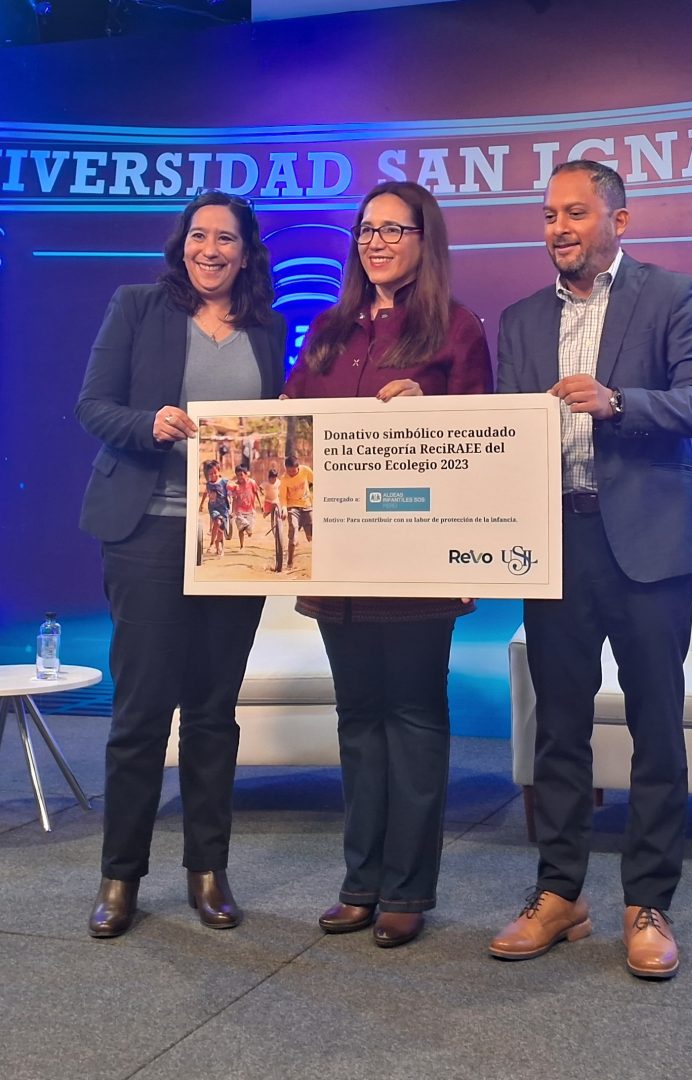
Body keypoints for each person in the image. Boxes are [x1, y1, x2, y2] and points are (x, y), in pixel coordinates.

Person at [490, 160, 692, 978]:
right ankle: (560, 894)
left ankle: (646, 903)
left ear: (617, 222)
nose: (558, 228)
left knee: (656, 727)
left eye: (576, 213)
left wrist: (618, 400)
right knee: (557, 726)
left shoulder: (671, 295)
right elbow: (501, 433)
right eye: (549, 215)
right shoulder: (519, 319)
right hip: (553, 545)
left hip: (650, 547)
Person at [283, 180, 493, 948]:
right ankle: (359, 883)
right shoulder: (329, 330)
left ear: (422, 239)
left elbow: (481, 445)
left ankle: (408, 889)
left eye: (392, 230)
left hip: (415, 567)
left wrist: (429, 415)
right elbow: (291, 422)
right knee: (357, 720)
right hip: (338, 566)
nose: (375, 241)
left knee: (411, 719)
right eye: (366, 229)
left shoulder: (455, 329)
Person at [76, 190, 286, 938]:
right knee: (139, 714)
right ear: (182, 243)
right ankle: (119, 876)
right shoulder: (137, 305)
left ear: (245, 251)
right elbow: (93, 404)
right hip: (148, 534)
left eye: (225, 239)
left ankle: (208, 870)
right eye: (198, 236)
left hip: (234, 545)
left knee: (211, 713)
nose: (209, 250)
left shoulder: (268, 327)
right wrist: (148, 423)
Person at [278, 454, 313, 570]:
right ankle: (289, 562)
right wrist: (283, 508)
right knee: (293, 536)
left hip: (307, 505)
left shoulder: (305, 470)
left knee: (311, 534)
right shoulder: (284, 479)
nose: (291, 473)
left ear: (298, 467)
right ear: (286, 469)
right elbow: (282, 497)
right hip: (293, 507)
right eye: (289, 471)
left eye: (293, 471)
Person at [199, 459, 231, 556]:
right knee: (217, 522)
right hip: (213, 507)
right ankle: (212, 543)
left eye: (214, 473)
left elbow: (231, 489)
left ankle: (218, 543)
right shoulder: (209, 484)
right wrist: (201, 504)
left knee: (221, 528)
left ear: (219, 471)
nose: (213, 476)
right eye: (210, 474)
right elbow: (205, 493)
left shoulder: (224, 482)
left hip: (224, 508)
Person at [228, 464, 263, 549]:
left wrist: (261, 504)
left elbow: (256, 493)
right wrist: (233, 512)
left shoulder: (252, 483)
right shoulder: (236, 486)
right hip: (239, 510)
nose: (240, 477)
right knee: (241, 528)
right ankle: (242, 545)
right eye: (237, 475)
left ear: (246, 474)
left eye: (241, 475)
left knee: (249, 530)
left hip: (250, 510)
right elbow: (235, 500)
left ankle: (249, 530)